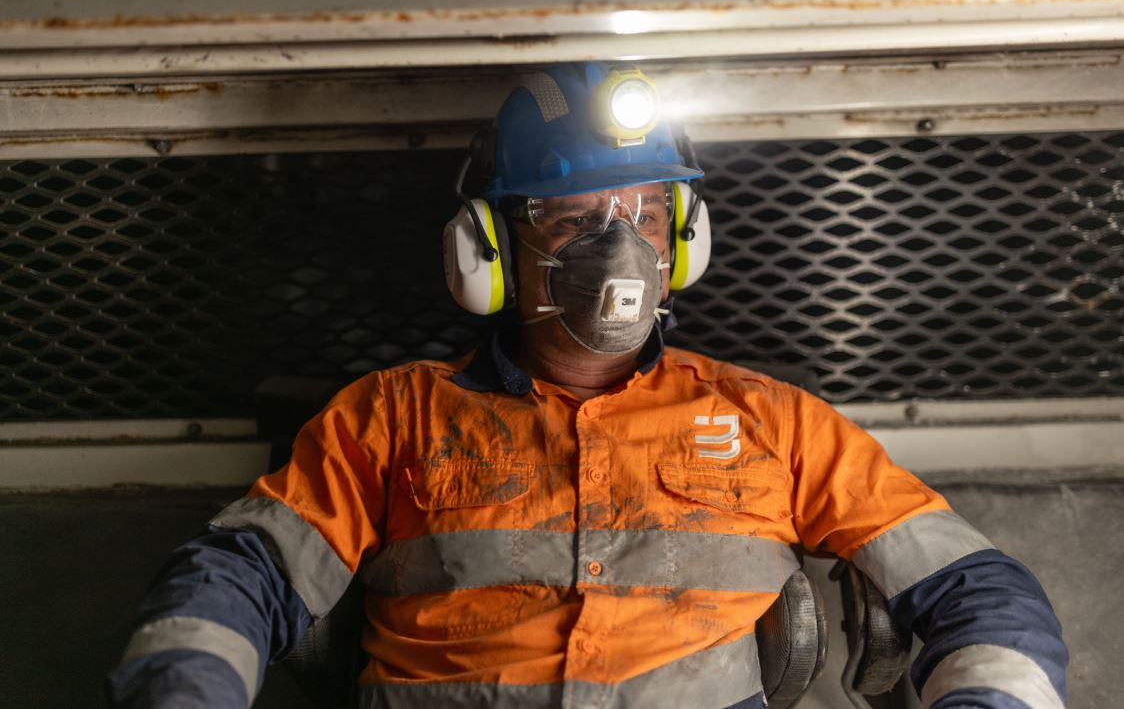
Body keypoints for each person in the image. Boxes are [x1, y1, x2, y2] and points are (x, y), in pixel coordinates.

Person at [108, 63, 1068, 709]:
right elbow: (239, 576)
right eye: (570, 222)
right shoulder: (391, 417)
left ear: (682, 241)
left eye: (645, 215)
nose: (619, 250)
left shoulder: (772, 421)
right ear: (489, 250)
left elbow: (973, 586)